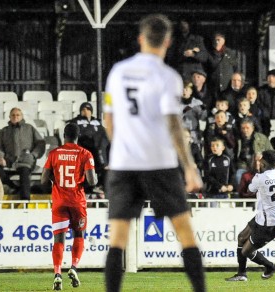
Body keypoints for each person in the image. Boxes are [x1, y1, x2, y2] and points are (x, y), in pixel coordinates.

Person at [103, 14, 204, 292]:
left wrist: (123, 147)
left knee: (118, 238)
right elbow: (173, 125)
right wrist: (190, 167)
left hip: (124, 163)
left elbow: (108, 120)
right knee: (184, 232)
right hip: (159, 162)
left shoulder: (118, 72)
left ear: (141, 39)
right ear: (168, 42)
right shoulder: (168, 77)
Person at [40, 123, 97, 290]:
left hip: (59, 202)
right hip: (77, 202)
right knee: (79, 234)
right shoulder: (85, 154)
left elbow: (43, 180)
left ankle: (57, 274)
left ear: (64, 135)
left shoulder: (54, 154)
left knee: (59, 239)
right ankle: (73, 267)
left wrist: (54, 181)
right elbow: (92, 181)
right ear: (77, 136)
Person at [226, 150, 275, 281]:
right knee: (241, 237)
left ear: (263, 162)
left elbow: (250, 190)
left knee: (245, 251)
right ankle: (241, 274)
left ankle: (270, 266)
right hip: (264, 218)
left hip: (269, 225)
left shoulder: (260, 178)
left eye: (261, 159)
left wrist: (258, 173)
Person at [0, 107, 46, 200]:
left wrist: (33, 155)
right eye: (13, 115)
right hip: (9, 159)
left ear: (22, 116)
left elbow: (41, 143)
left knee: (24, 173)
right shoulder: (4, 131)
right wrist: (0, 157)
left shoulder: (30, 128)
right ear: (9, 117)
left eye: (18, 115)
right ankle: (13, 187)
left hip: (25, 160)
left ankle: (25, 201)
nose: (15, 117)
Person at [68, 101, 110, 191]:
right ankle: (88, 187)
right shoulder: (76, 122)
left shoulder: (97, 122)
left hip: (98, 150)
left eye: (88, 109)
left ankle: (101, 187)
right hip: (83, 150)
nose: (86, 111)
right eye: (83, 109)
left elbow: (105, 136)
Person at [234, 118, 272, 185]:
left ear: (253, 128)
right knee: (238, 175)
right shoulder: (237, 139)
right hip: (243, 165)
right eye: (243, 128)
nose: (245, 130)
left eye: (247, 128)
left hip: (259, 166)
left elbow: (271, 153)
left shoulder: (262, 138)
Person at [206, 32, 238, 99]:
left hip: (227, 87)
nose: (216, 42)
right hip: (213, 88)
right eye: (215, 40)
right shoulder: (209, 53)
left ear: (223, 41)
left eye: (218, 40)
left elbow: (235, 68)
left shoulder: (230, 53)